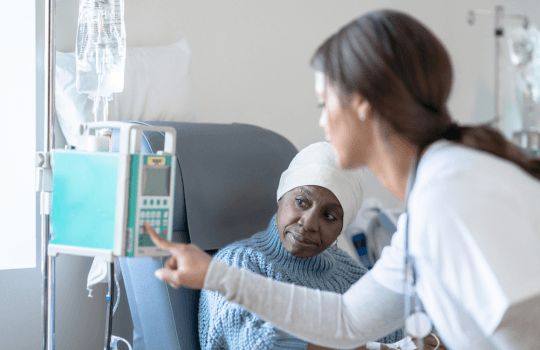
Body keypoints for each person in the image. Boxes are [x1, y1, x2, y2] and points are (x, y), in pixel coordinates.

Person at [145, 9, 540, 350]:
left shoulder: (453, 193)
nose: (321, 121)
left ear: (363, 103)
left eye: (324, 102)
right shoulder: (432, 197)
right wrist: (217, 276)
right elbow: (347, 319)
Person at [198, 142, 405, 350]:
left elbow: (394, 334)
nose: (309, 223)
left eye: (329, 216)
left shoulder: (354, 278)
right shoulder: (234, 266)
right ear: (282, 195)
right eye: (301, 202)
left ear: (341, 228)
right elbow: (260, 344)